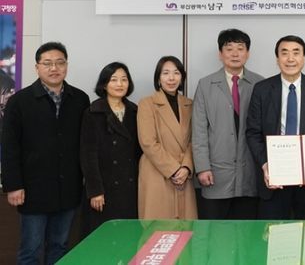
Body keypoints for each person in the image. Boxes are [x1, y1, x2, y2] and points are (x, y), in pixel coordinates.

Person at [1, 42, 90, 264]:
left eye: (60, 63)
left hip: (68, 188)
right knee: (31, 250)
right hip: (33, 189)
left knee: (60, 246)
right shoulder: (19, 101)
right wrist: (13, 185)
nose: (54, 68)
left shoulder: (80, 99)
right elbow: (10, 146)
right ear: (37, 67)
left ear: (66, 66)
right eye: (47, 63)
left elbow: (85, 144)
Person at [246, 35, 305, 220]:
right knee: (272, 234)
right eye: (284, 53)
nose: (290, 59)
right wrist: (265, 164)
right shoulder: (262, 89)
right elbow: (253, 132)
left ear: (304, 58)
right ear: (277, 58)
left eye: (296, 53)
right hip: (274, 177)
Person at [192, 29, 264, 219]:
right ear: (220, 54)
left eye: (240, 48)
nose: (235, 54)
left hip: (250, 172)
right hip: (215, 173)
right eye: (229, 48)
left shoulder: (260, 84)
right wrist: (202, 167)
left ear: (247, 53)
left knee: (246, 230)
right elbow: (199, 130)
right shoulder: (205, 85)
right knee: (215, 231)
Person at [80, 62, 141, 236]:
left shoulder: (135, 111)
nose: (119, 84)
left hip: (130, 186)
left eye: (124, 79)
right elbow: (88, 155)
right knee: (103, 237)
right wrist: (95, 191)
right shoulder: (93, 112)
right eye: (114, 80)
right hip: (104, 187)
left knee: (128, 237)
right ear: (104, 84)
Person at [137, 56, 196, 219]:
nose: (171, 78)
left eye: (176, 73)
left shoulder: (189, 104)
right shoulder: (147, 103)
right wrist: (174, 169)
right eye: (166, 73)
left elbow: (194, 140)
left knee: (185, 227)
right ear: (158, 78)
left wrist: (186, 167)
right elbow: (148, 142)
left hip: (184, 174)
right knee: (159, 227)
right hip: (158, 172)